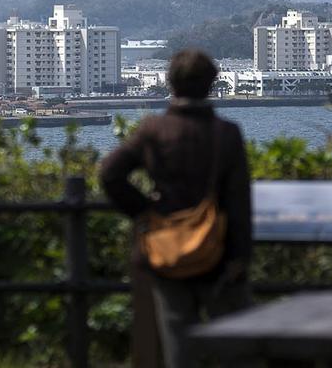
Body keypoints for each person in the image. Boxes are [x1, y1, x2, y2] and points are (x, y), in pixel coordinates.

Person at [99, 49, 252, 368]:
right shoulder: (227, 134)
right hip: (218, 250)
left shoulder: (154, 130)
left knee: (178, 345)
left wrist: (143, 212)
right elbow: (239, 203)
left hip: (166, 249)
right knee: (233, 347)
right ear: (211, 84)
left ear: (170, 83)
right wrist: (240, 257)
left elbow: (109, 173)